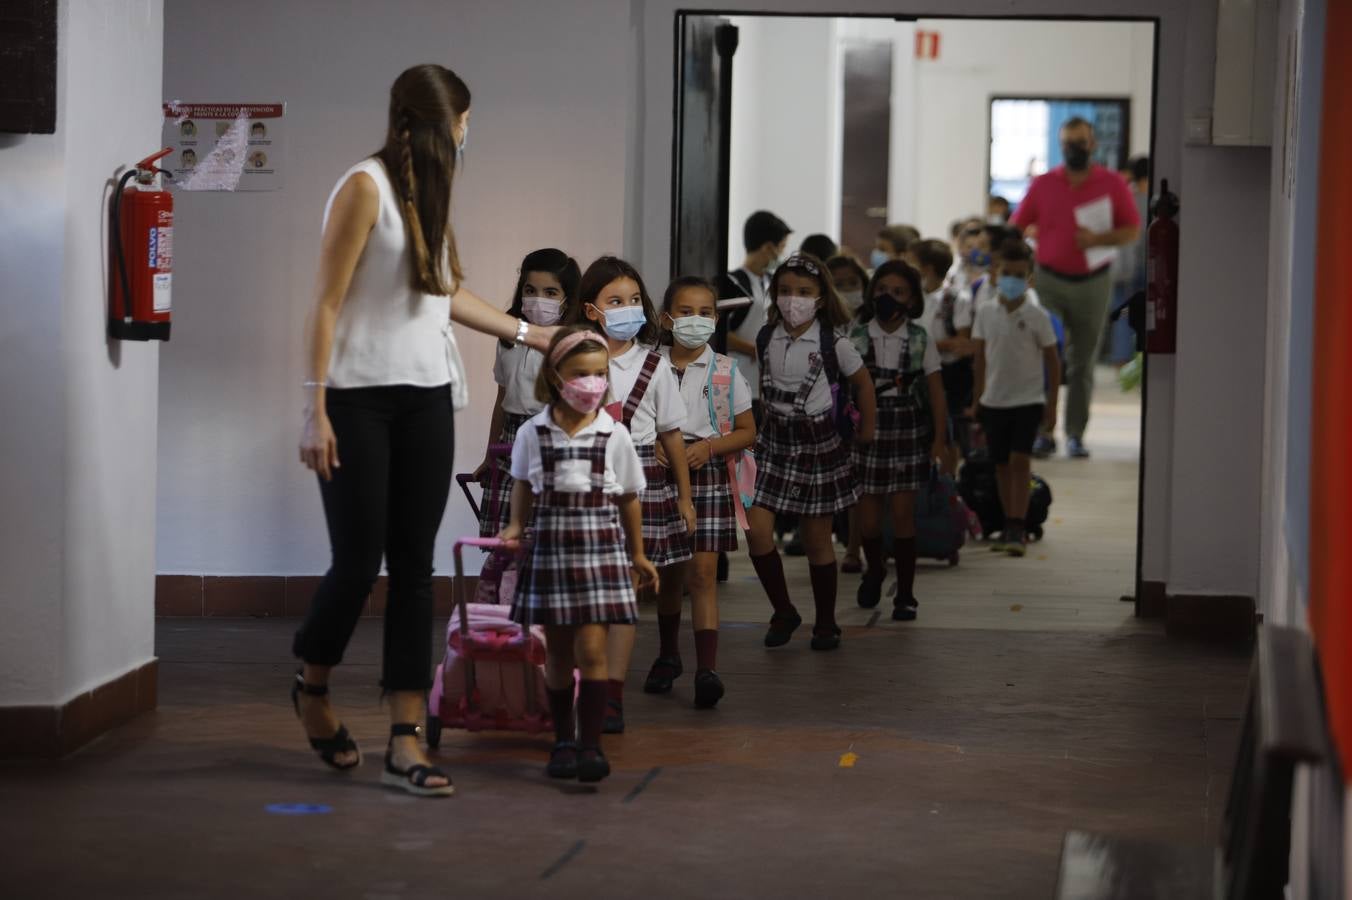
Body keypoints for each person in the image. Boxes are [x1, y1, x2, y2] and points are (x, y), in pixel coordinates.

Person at [293, 64, 556, 798]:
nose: (467, 136)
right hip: (355, 401)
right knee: (356, 563)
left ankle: (405, 739)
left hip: (426, 400)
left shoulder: (428, 198)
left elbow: (445, 294)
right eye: (462, 123)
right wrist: (312, 408)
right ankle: (312, 686)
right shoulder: (364, 187)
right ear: (423, 124)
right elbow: (325, 303)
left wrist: (533, 337)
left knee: (414, 568)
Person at [499, 327, 658, 784]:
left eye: (599, 374)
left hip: (600, 556)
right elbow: (523, 484)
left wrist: (638, 554)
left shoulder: (615, 434)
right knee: (558, 654)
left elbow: (629, 497)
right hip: (551, 553)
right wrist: (514, 524)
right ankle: (562, 741)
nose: (591, 383)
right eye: (580, 374)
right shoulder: (534, 431)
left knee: (592, 648)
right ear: (555, 377)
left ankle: (591, 745)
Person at [574, 256, 694, 734]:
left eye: (633, 300)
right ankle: (579, 684)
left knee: (622, 594)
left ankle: (610, 695)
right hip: (582, 480)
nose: (627, 308)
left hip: (638, 479)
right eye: (614, 301)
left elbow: (672, 436)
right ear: (591, 310)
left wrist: (684, 497)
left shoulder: (654, 364)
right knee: (583, 594)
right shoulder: (570, 355)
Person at [745, 254, 876, 652]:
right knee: (756, 531)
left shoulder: (834, 343)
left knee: (817, 538)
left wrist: (867, 429)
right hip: (774, 441)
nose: (793, 299)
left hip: (818, 443)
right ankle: (783, 609)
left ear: (820, 298)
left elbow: (864, 385)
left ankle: (825, 621)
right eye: (785, 291)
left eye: (803, 292)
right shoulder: (767, 336)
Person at [645, 276, 757, 708]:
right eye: (685, 312)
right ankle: (668, 655)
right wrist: (652, 445)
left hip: (707, 475)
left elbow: (748, 431)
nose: (696, 321)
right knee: (669, 574)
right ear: (666, 318)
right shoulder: (647, 365)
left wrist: (708, 446)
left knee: (702, 575)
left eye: (705, 313)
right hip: (658, 475)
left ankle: (706, 669)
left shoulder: (727, 371)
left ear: (716, 318)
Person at [1009, 116, 1140, 459]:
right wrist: (1025, 245)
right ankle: (1043, 431)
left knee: (1083, 360)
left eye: (1080, 142)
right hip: (1049, 279)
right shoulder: (1043, 184)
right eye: (1067, 142)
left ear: (1092, 144)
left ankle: (1076, 433)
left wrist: (1099, 238)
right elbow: (1017, 225)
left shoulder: (1111, 184)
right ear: (1060, 145)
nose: (1073, 149)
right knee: (1044, 355)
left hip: (1093, 283)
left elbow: (1132, 230)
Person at [852, 260, 947, 619]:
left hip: (907, 426)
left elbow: (936, 391)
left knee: (904, 514)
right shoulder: (857, 336)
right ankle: (874, 568)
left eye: (898, 292)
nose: (888, 298)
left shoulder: (920, 338)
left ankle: (906, 593)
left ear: (912, 300)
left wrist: (940, 439)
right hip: (868, 430)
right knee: (870, 519)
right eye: (881, 290)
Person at [473, 249, 581, 537]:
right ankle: (506, 584)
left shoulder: (575, 342)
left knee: (547, 539)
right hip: (511, 439)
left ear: (567, 297)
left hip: (556, 438)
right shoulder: (510, 338)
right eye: (530, 290)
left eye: (550, 292)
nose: (538, 299)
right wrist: (489, 455)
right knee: (507, 541)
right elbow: (502, 399)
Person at [970, 239, 1062, 556]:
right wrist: (977, 398)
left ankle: (1018, 525)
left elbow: (1053, 359)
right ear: (995, 273)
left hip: (1028, 400)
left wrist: (1052, 405)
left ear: (1029, 279)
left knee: (1021, 461)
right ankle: (1008, 523)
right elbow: (980, 359)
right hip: (994, 400)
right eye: (1005, 272)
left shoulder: (1037, 315)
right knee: (1001, 464)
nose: (1011, 279)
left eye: (1018, 274)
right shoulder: (984, 312)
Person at [717, 210, 792, 418]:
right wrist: (754, 350)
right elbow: (717, 332)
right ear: (768, 247)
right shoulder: (734, 282)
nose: (782, 254)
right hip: (735, 379)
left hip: (765, 384)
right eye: (782, 247)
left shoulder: (773, 282)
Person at [826, 254, 871, 574]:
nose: (847, 290)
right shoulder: (824, 324)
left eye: (852, 284)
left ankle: (855, 548)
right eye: (838, 285)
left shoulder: (872, 323)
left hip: (859, 409)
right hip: (827, 411)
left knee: (859, 483)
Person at [912, 239, 974, 466]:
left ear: (926, 268)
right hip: (918, 371)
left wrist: (927, 346)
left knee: (948, 431)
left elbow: (963, 341)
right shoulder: (913, 297)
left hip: (949, 373)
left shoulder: (956, 299)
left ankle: (948, 484)